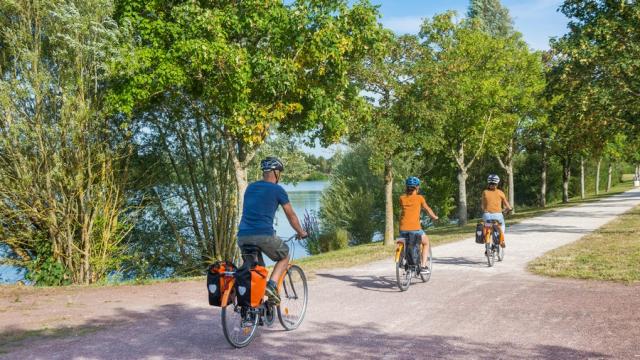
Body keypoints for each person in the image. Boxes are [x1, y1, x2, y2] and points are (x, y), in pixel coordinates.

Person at [237, 157, 307, 304]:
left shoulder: (250, 188)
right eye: (279, 172)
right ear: (276, 173)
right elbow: (291, 215)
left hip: (243, 237)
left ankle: (254, 310)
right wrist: (301, 232)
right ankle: (272, 285)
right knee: (284, 255)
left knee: (256, 271)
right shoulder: (278, 190)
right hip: (264, 236)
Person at [399, 176, 438, 274]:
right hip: (415, 228)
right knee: (426, 242)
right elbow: (428, 209)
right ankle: (424, 266)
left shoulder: (401, 198)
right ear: (417, 187)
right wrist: (434, 217)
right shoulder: (420, 198)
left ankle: (402, 260)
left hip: (402, 228)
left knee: (405, 242)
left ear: (406, 187)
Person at [481, 174, 513, 248]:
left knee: (487, 227)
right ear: (497, 183)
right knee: (502, 226)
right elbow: (507, 205)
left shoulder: (484, 192)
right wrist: (509, 209)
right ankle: (501, 240)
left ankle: (487, 247)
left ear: (488, 183)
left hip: (487, 215)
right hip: (497, 215)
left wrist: (486, 209)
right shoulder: (500, 192)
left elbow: (482, 206)